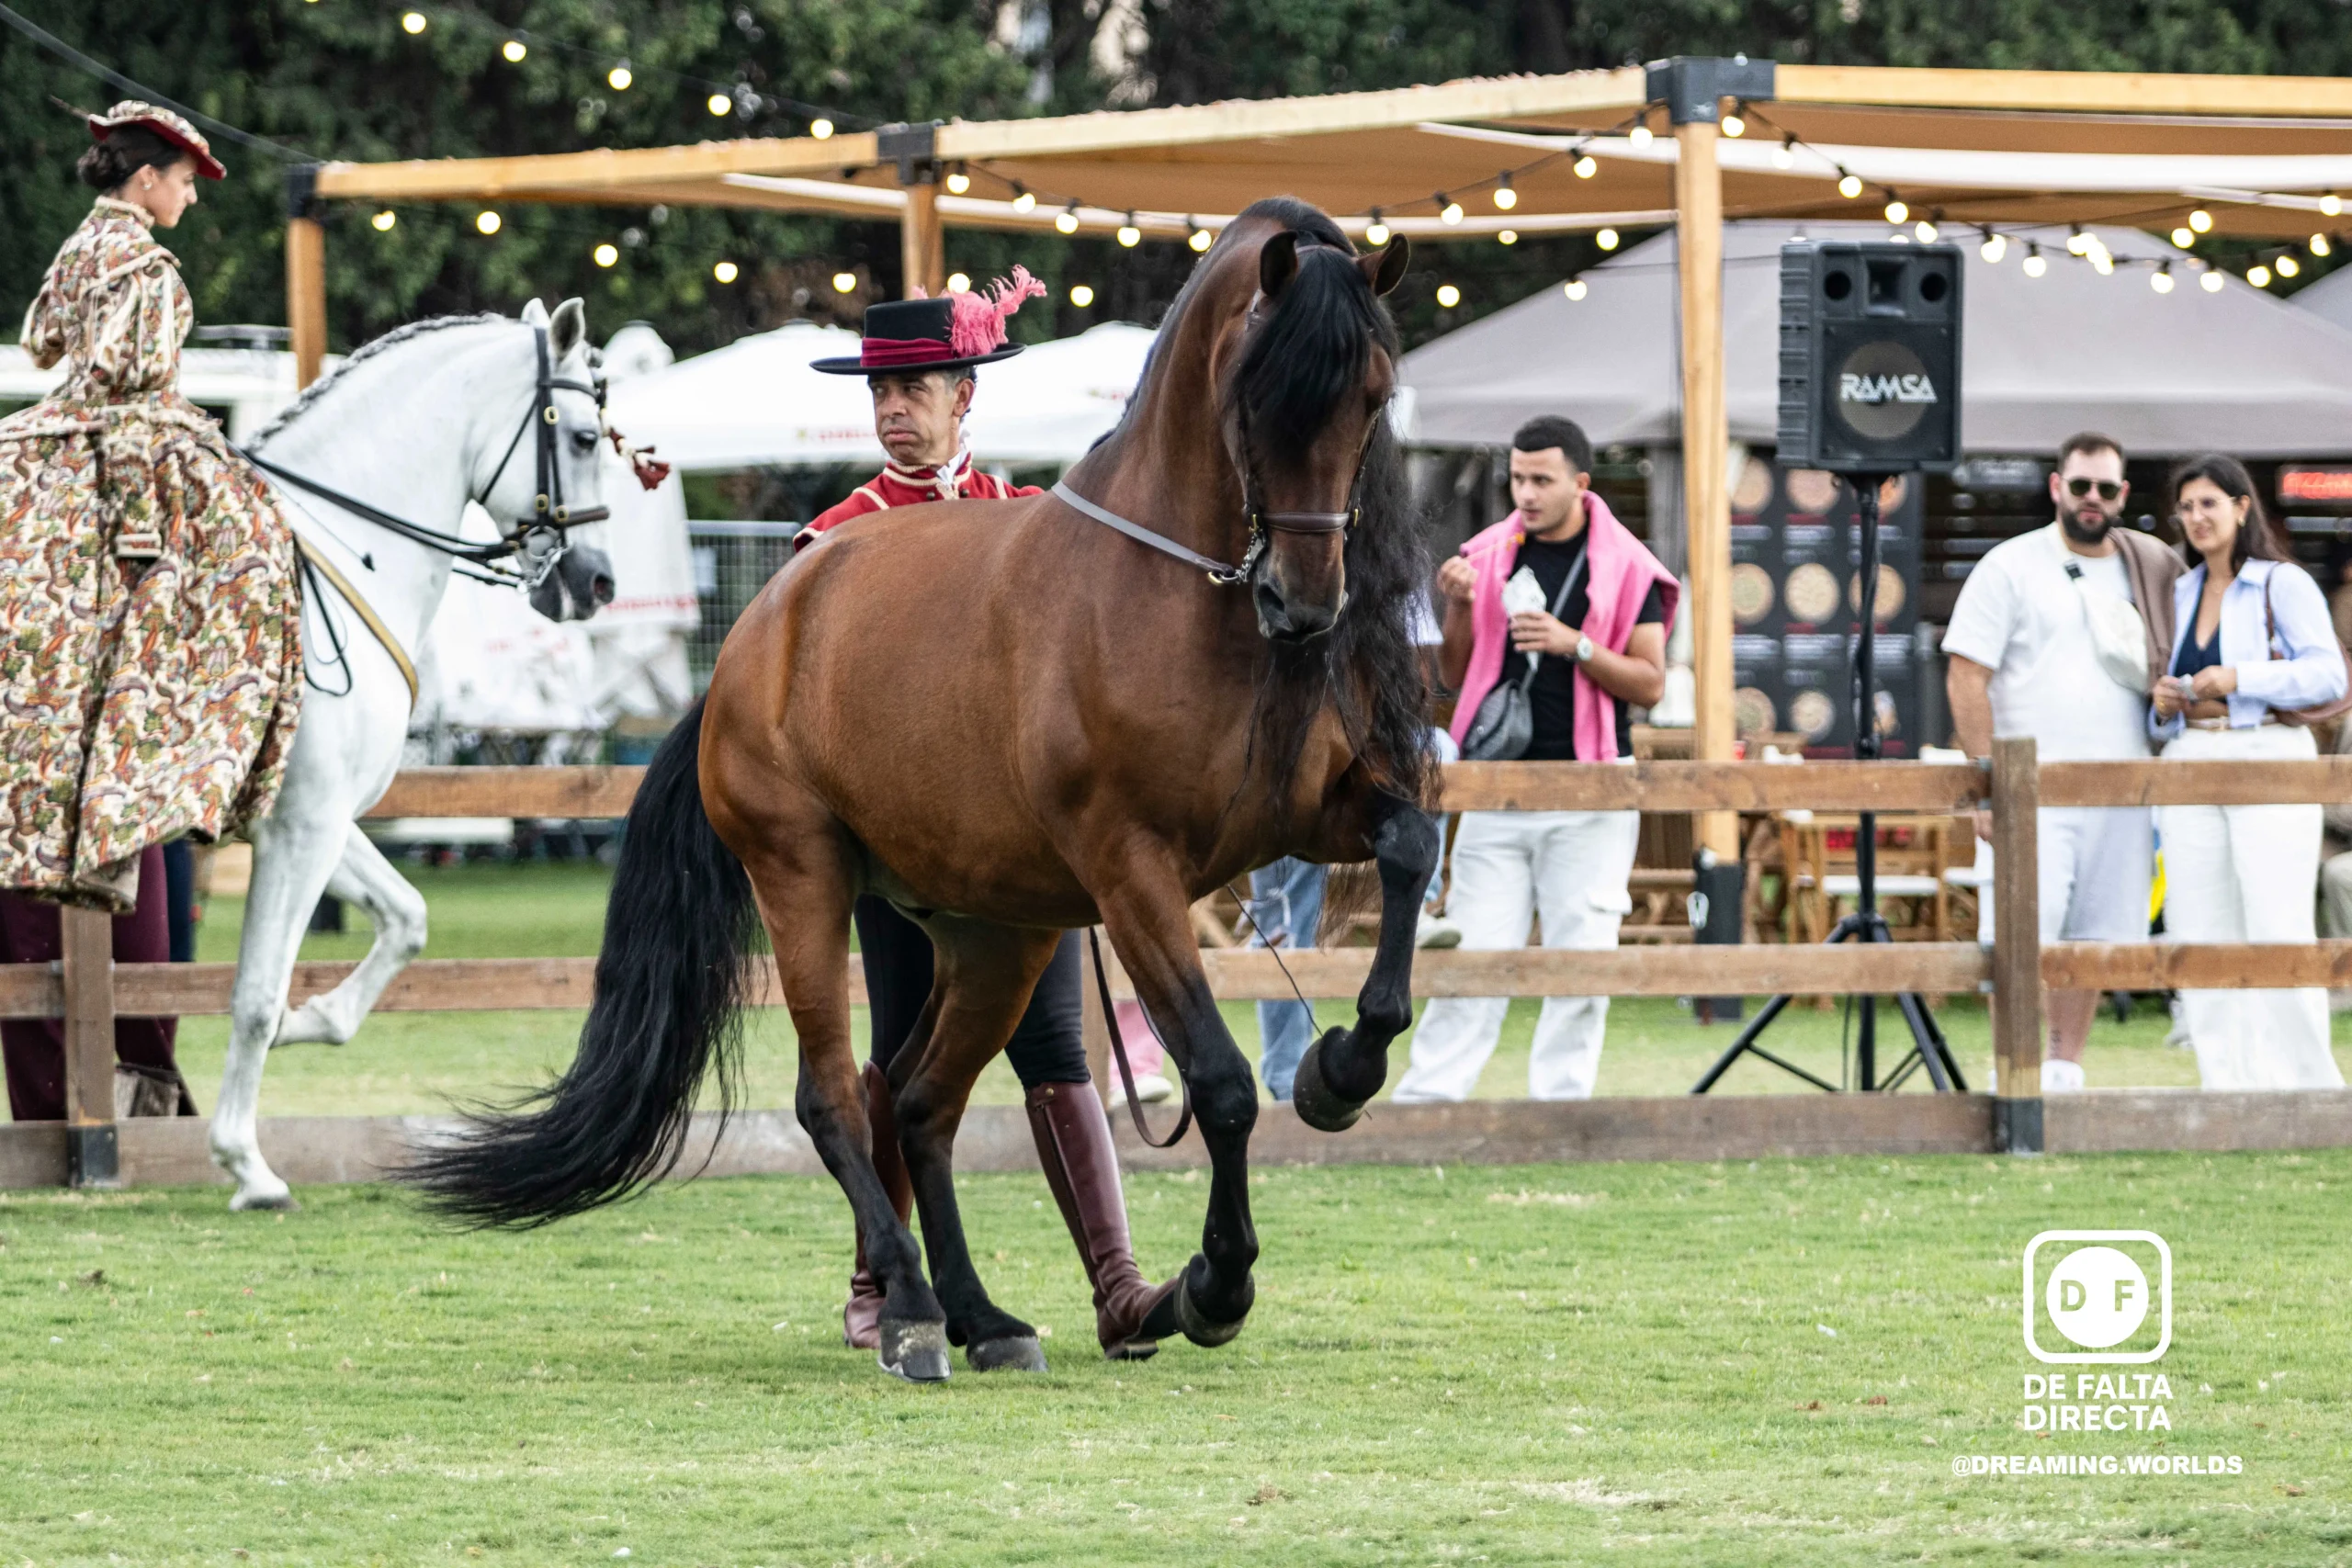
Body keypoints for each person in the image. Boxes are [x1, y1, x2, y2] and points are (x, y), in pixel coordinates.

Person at [802, 276, 1173, 1358]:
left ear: (965, 396)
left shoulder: (1031, 525)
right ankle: (880, 1276)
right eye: (883, 391)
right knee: (900, 1051)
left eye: (915, 388)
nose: (894, 409)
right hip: (893, 846)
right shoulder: (834, 540)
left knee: (1055, 1044)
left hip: (1019, 844)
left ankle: (1118, 1287)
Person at [0, 104, 301, 1113]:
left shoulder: (81, 249)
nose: (187, 199)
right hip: (116, 475)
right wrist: (149, 546)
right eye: (183, 181)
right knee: (254, 565)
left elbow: (46, 345)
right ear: (147, 179)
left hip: (41, 467)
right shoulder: (147, 272)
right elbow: (128, 400)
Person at [1394, 416, 1676, 1102]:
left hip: (1593, 792)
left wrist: (1571, 643)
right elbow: (1455, 677)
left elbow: (1651, 681)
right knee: (1472, 957)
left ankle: (1562, 1106)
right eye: (1517, 477)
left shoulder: (1628, 562)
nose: (1525, 491)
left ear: (1580, 482)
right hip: (1499, 786)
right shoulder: (1485, 553)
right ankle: (1428, 1104)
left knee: (1580, 962)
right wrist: (1458, 606)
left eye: (1541, 479)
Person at [1942, 433, 2181, 1094]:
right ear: (2057, 487)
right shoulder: (2010, 565)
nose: (2093, 499)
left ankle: (2065, 1066)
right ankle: (2011, 1071)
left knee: (2097, 939)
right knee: (2019, 937)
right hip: (2031, 791)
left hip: (2122, 785)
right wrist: (1986, 781)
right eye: (2081, 486)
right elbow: (1966, 674)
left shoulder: (2151, 565)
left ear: (2123, 495)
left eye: (2107, 488)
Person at [2148, 456, 2346, 1089]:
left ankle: (2309, 1087)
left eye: (2209, 503)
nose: (2197, 517)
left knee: (2276, 920)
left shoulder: (2279, 582)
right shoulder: (2179, 590)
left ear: (2241, 506)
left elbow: (2328, 674)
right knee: (2199, 925)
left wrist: (2241, 677)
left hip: (2265, 753)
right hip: (2191, 756)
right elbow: (2165, 696)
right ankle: (2225, 1084)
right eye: (2187, 507)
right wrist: (2162, 703)